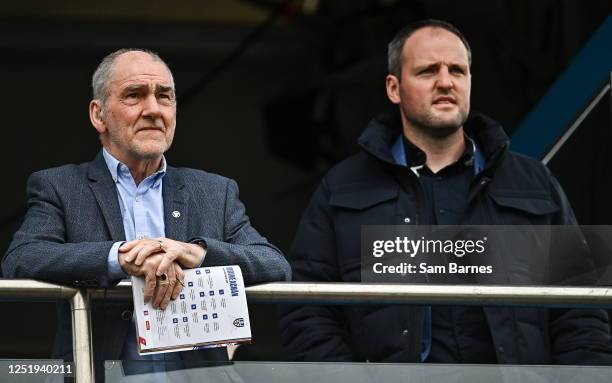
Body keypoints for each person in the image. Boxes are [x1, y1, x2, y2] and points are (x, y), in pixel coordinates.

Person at [279, 19, 612, 365]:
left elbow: (581, 308)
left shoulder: (534, 182)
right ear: (394, 88)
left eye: (457, 70)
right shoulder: (343, 186)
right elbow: (305, 308)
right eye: (427, 71)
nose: (445, 82)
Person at [2, 48, 291, 379]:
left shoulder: (213, 191)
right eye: (134, 96)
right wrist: (121, 258)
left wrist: (197, 253)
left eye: (164, 97)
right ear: (99, 115)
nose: (153, 109)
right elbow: (21, 258)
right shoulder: (60, 186)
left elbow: (275, 265)